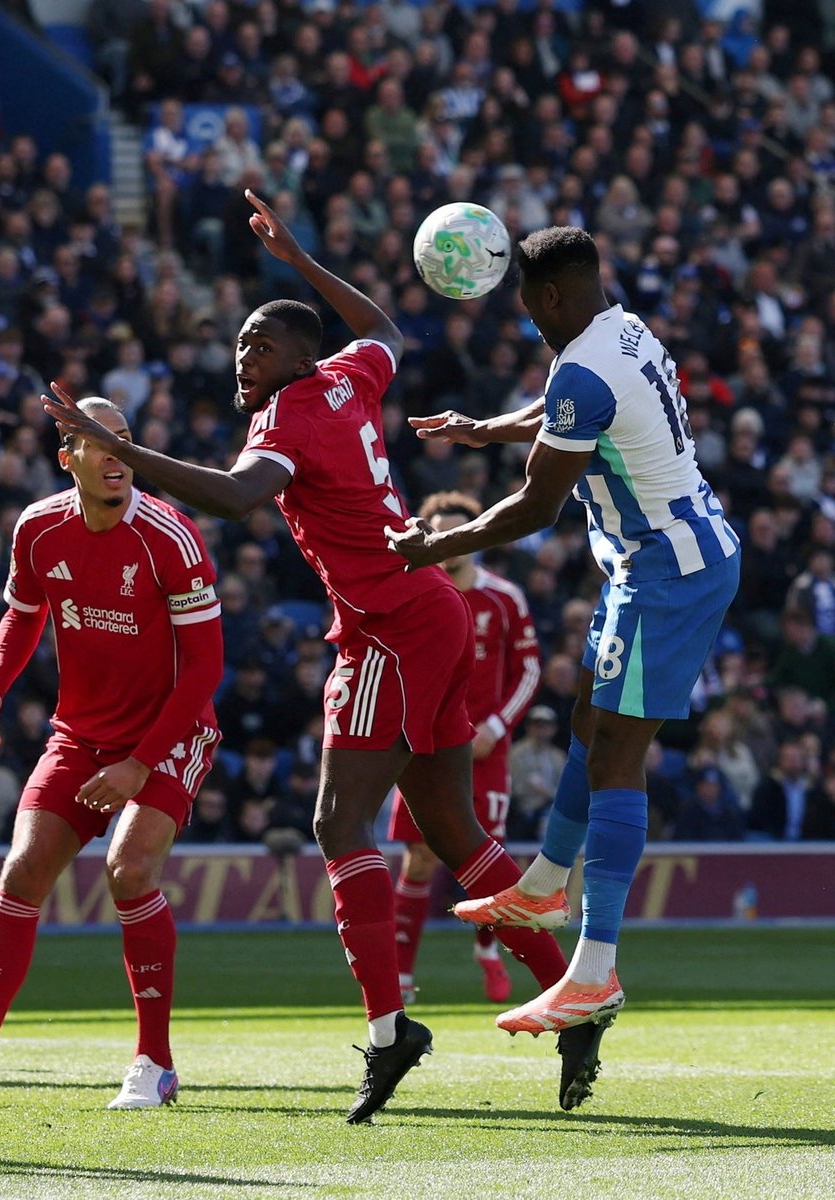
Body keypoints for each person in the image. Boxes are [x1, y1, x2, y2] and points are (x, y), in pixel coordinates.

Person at [44, 191, 572, 1122]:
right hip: (422, 611)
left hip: (390, 624)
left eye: (258, 344)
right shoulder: (350, 377)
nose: (242, 358)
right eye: (243, 345)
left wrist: (119, 445)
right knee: (454, 835)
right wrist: (298, 259)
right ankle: (574, 1001)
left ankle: (387, 1031)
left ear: (295, 356)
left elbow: (241, 498)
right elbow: (383, 325)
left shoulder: (289, 415)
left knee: (338, 823)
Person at [388, 226, 741, 1098]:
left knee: (619, 754)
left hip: (669, 572)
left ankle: (594, 968)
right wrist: (483, 431)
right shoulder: (619, 330)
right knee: (588, 717)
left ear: (547, 297)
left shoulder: (582, 369)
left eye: (521, 300)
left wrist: (437, 546)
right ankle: (546, 882)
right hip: (651, 562)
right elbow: (562, 419)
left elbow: (536, 507)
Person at [0, 397, 224, 1110]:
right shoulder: (38, 527)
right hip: (80, 735)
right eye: (98, 443)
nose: (116, 455)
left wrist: (140, 764)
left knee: (129, 870)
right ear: (67, 458)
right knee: (21, 871)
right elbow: (23, 614)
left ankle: (155, 1063)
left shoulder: (169, 537)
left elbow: (205, 668)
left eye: (126, 442)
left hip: (169, 734)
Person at [387, 492, 541, 1007]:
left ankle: (489, 952)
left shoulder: (504, 598)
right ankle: (401, 978)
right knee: (420, 857)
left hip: (484, 750)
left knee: (484, 857)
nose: (449, 546)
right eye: (439, 534)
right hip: (424, 748)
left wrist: (496, 726)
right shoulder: (412, 591)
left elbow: (530, 670)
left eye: (459, 534)